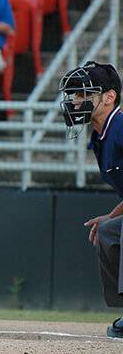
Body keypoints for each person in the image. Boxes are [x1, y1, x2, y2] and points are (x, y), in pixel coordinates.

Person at [59, 61, 123, 338]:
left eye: (85, 94)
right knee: (109, 231)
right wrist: (111, 216)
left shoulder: (120, 127)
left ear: (110, 97)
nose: (76, 101)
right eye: (74, 95)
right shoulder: (101, 137)